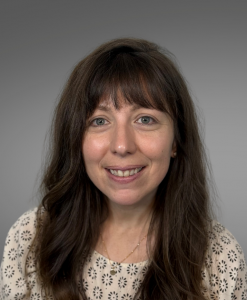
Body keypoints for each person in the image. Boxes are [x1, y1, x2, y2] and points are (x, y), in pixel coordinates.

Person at [0, 38, 246, 300]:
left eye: (145, 119)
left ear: (176, 141)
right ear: (76, 139)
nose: (121, 145)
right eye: (99, 120)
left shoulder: (220, 258)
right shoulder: (30, 239)